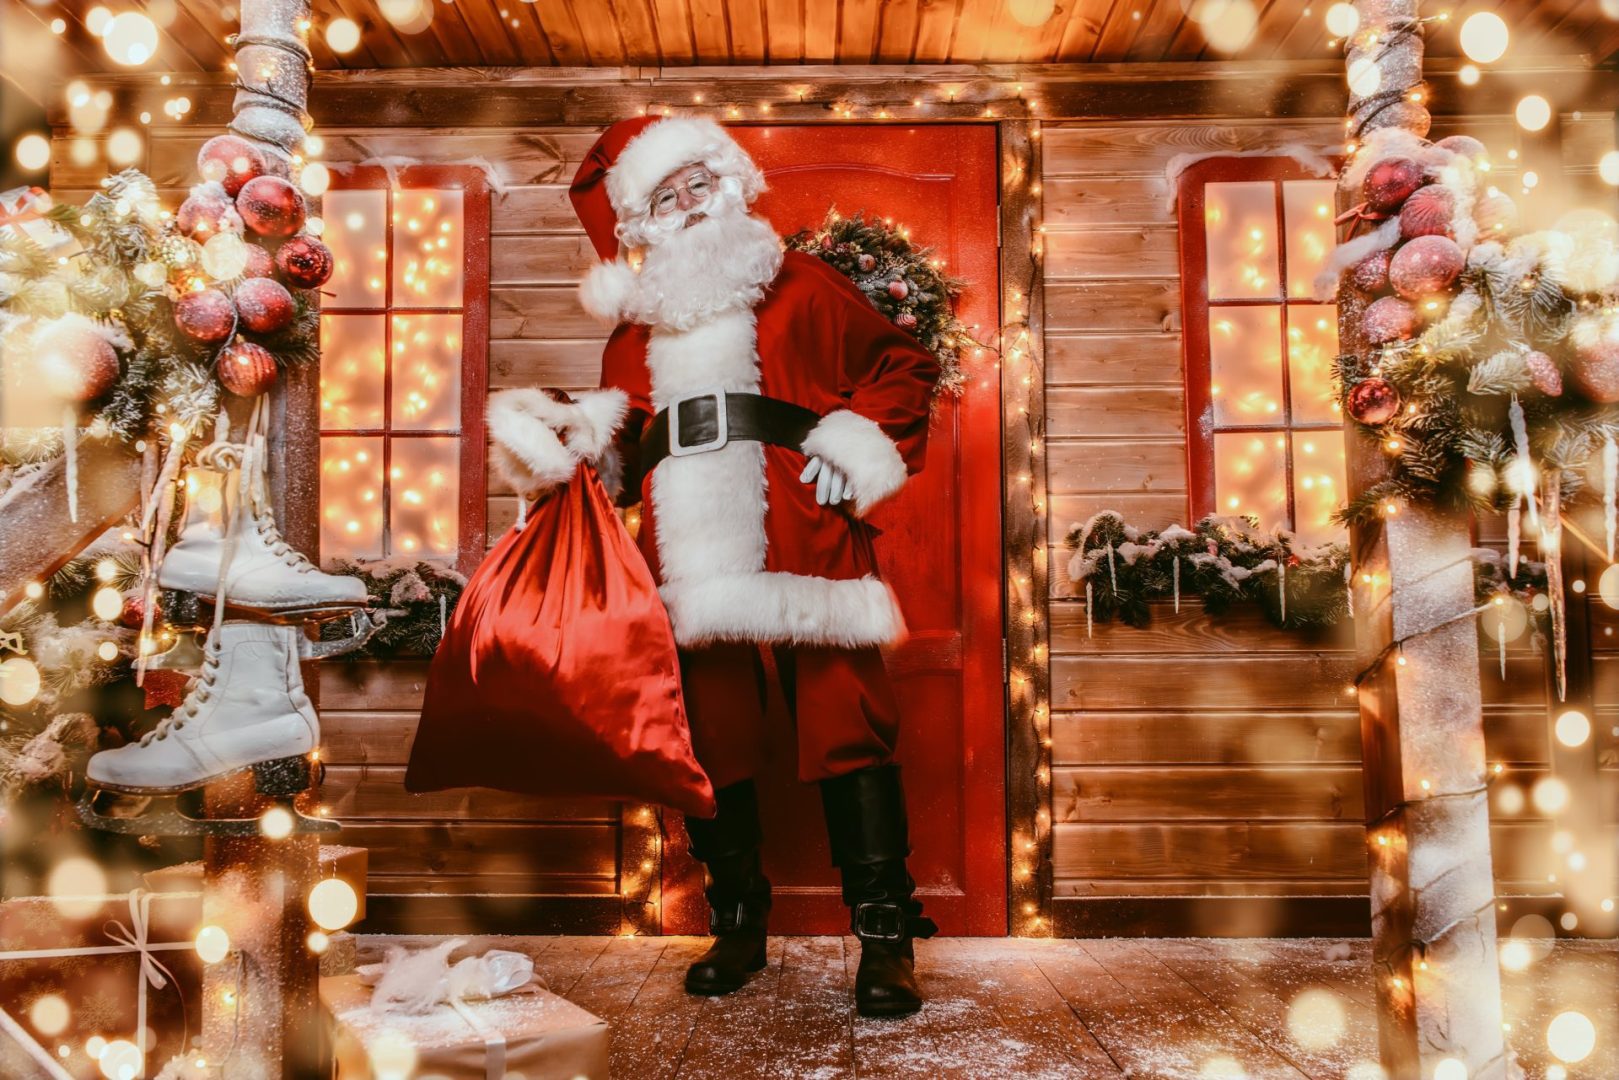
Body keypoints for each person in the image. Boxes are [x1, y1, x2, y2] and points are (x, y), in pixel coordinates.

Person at [490, 115, 940, 1017]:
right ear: (642, 222)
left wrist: (852, 444)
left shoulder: (800, 282)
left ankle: (885, 939)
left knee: (846, 721)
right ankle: (737, 926)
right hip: (683, 547)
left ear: (727, 185)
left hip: (799, 527)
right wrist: (571, 441)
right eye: (668, 195)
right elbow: (620, 445)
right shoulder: (632, 331)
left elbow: (902, 365)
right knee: (708, 735)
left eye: (700, 184)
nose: (691, 204)